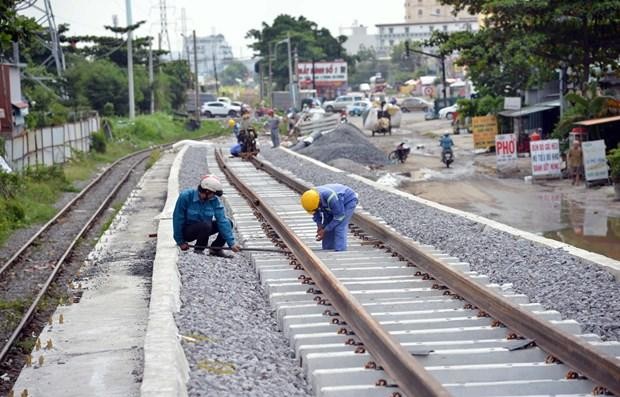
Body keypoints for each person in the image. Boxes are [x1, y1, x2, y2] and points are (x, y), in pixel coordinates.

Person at [173, 175, 241, 257]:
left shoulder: (213, 201)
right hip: (187, 231)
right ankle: (199, 250)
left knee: (228, 222)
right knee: (206, 225)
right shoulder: (186, 196)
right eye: (213, 194)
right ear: (207, 191)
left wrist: (231, 243)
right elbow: (178, 219)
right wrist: (180, 241)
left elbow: (222, 220)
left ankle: (215, 249)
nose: (214, 197)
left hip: (204, 227)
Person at [300, 184, 358, 251]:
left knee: (339, 226)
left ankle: (341, 250)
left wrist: (325, 230)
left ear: (319, 202)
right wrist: (320, 226)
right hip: (331, 204)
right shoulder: (313, 198)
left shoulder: (331, 197)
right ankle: (328, 249)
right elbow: (315, 212)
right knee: (327, 225)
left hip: (348, 201)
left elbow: (339, 216)